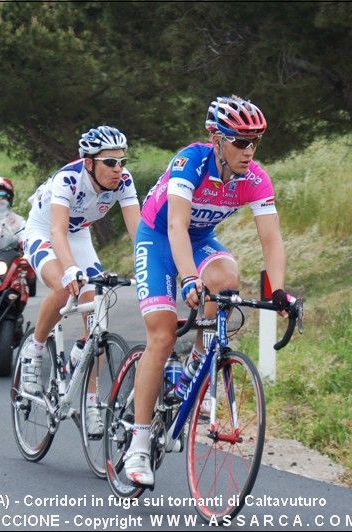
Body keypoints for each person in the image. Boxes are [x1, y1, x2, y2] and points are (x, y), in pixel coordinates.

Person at [124, 95, 294, 486]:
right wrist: (187, 278)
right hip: (159, 238)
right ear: (216, 138)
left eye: (255, 142)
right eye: (239, 141)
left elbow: (271, 240)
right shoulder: (190, 162)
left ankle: (195, 366)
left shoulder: (255, 178)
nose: (248, 151)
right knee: (163, 335)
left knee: (227, 279)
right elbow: (175, 226)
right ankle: (139, 442)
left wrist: (279, 291)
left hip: (199, 239)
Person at [18, 125, 141, 438]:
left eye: (122, 161)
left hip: (79, 235)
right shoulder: (68, 179)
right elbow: (57, 232)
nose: (118, 169)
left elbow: (138, 233)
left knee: (97, 314)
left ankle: (89, 400)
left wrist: (148, 266)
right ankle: (34, 350)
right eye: (110, 163)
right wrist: (70, 268)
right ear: (90, 162)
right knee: (63, 286)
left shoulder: (123, 182)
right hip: (45, 232)